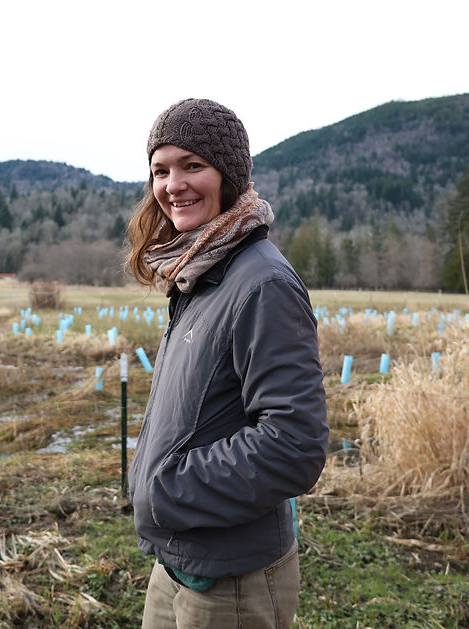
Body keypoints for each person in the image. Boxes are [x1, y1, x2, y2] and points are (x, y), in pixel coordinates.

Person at [125, 98, 330, 629]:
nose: (174, 185)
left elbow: (294, 444)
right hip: (179, 563)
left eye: (193, 165)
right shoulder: (200, 271)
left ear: (229, 175)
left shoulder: (261, 282)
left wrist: (167, 488)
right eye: (160, 170)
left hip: (231, 584)